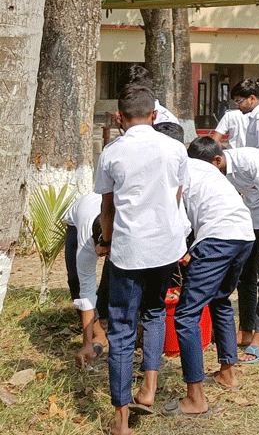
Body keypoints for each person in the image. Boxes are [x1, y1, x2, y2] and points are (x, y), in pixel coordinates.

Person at [94, 85, 188, 434]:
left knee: (121, 330)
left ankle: (120, 421)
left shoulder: (112, 152)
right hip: (165, 247)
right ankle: (148, 388)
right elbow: (176, 199)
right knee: (153, 314)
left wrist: (105, 241)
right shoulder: (175, 148)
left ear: (119, 117)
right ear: (154, 115)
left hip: (129, 249)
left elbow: (108, 207)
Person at [169, 143, 256, 416]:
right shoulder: (213, 172)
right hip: (244, 235)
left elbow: (179, 218)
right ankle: (228, 373)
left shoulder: (179, 171)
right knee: (220, 300)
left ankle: (196, 399)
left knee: (185, 316)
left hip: (217, 238)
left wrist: (180, 250)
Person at [189, 137, 259, 362]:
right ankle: (246, 331)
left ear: (217, 160)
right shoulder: (217, 171)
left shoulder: (251, 162)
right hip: (249, 216)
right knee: (245, 276)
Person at [63, 192, 110, 369]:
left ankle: (104, 315)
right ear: (94, 244)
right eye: (103, 253)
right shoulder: (85, 244)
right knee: (75, 278)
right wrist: (87, 343)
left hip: (107, 216)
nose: (105, 257)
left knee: (116, 270)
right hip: (77, 220)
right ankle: (97, 331)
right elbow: (87, 291)